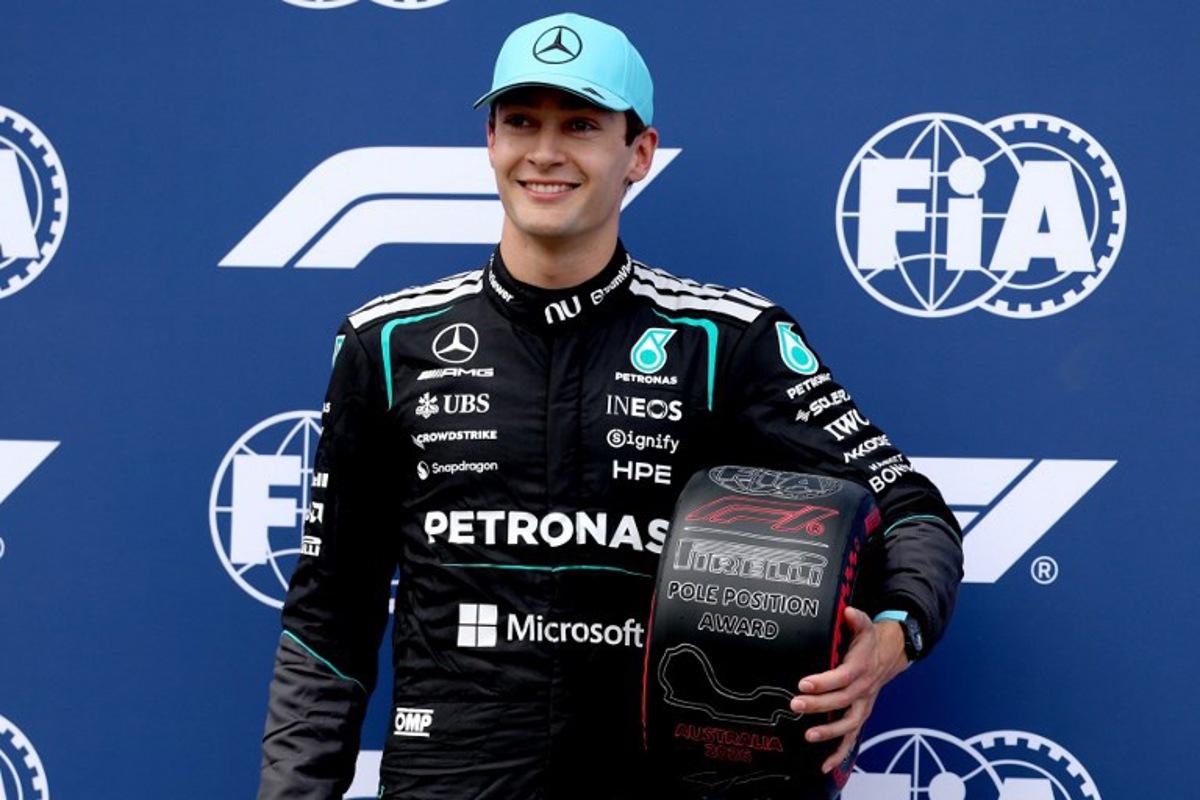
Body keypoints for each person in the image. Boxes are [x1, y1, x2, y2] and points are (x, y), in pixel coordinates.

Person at [257, 12, 962, 800]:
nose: (546, 152)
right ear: (490, 141)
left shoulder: (724, 339)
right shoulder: (387, 343)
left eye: (581, 125)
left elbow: (911, 510)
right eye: (522, 121)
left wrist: (896, 634)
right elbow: (328, 624)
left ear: (639, 154)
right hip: (451, 780)